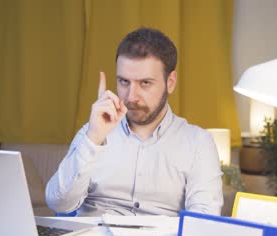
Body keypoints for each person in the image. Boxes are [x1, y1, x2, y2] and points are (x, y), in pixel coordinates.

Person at [46, 27, 223, 216]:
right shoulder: (94, 131)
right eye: (124, 82)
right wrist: (93, 139)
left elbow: (205, 220)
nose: (131, 97)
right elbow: (59, 204)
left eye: (145, 83)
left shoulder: (198, 142)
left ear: (170, 82)